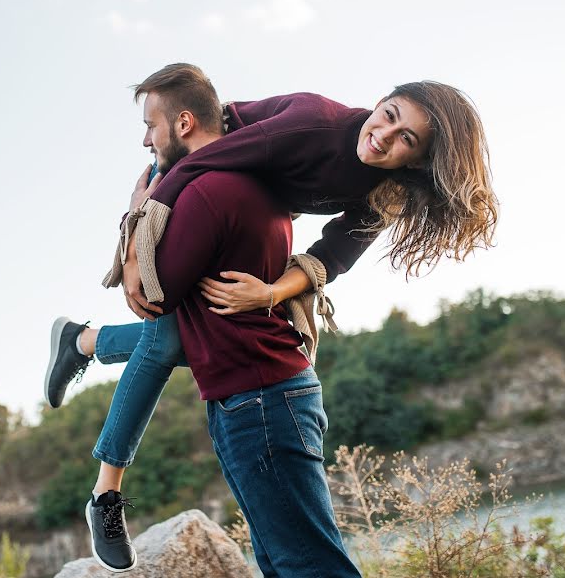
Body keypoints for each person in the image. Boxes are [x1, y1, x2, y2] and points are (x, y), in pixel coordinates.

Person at [43, 63, 498, 570]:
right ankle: (99, 456)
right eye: (388, 115)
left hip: (255, 302)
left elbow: (332, 257)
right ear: (379, 101)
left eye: (405, 138)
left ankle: (83, 346)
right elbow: (197, 164)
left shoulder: (386, 192)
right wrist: (133, 241)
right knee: (166, 338)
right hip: (194, 162)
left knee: (172, 339)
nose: (383, 136)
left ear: (417, 159)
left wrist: (271, 293)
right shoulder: (311, 123)